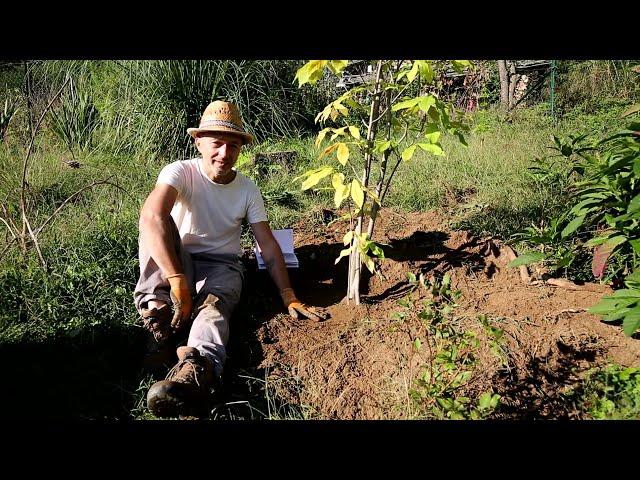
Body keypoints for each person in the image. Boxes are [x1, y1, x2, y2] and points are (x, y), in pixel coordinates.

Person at [134, 100, 324, 418]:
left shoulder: (247, 189)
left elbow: (267, 244)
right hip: (180, 256)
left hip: (223, 265)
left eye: (232, 146)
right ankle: (159, 322)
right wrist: (178, 279)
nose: (224, 153)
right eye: (217, 143)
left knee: (213, 307)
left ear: (240, 150)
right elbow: (152, 217)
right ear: (199, 143)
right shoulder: (180, 172)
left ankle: (195, 371)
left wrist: (288, 295)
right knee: (155, 222)